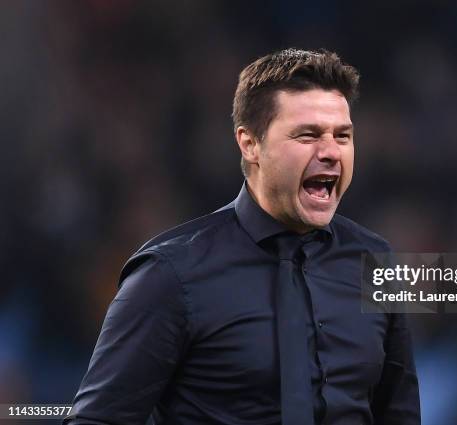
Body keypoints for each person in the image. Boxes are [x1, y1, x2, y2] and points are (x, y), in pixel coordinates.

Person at [64, 48, 420, 425]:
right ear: (250, 144)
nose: (331, 152)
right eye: (308, 135)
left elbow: (400, 414)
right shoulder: (169, 274)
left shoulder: (375, 261)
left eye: (342, 136)